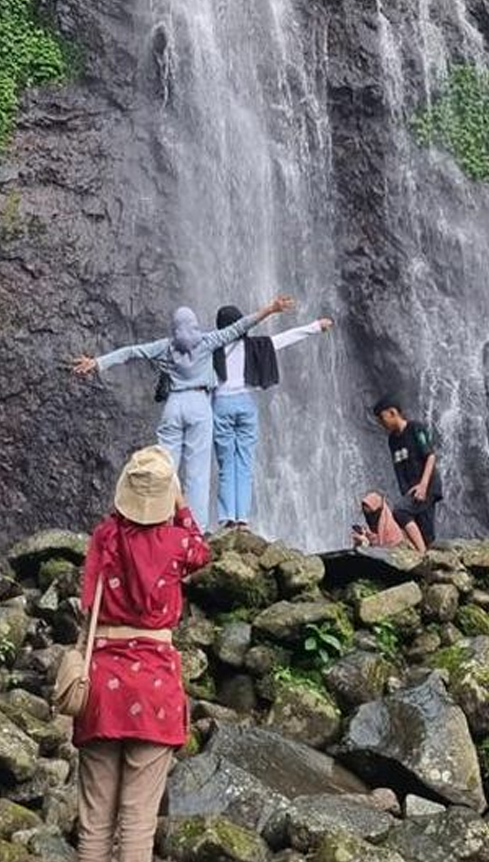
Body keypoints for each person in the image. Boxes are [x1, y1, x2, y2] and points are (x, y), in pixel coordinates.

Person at [74, 446, 210, 862]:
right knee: (137, 822)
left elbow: (85, 604)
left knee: (95, 821)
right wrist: (182, 506)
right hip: (154, 690)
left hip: (102, 688)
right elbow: (202, 551)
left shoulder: (105, 537)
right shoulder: (176, 543)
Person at [72, 294, 295, 526]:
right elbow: (240, 326)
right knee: (197, 473)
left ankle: (161, 521)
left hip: (173, 405)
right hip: (199, 404)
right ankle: (195, 527)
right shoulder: (207, 341)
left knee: (165, 467)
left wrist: (97, 362)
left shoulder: (165, 347)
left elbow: (131, 352)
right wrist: (271, 309)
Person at [210, 304, 334, 529]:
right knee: (245, 462)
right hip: (245, 403)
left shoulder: (211, 348)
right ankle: (242, 519)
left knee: (226, 463)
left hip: (221, 405)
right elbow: (284, 338)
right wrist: (316, 326)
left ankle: (227, 517)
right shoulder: (256, 346)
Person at [372, 394, 441, 548]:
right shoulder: (393, 440)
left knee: (400, 512)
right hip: (411, 490)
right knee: (426, 534)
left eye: (382, 418)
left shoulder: (416, 428)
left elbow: (430, 456)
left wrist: (423, 486)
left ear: (392, 412)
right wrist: (406, 492)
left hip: (427, 486)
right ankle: (430, 561)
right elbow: (400, 468)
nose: (381, 423)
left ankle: (422, 556)